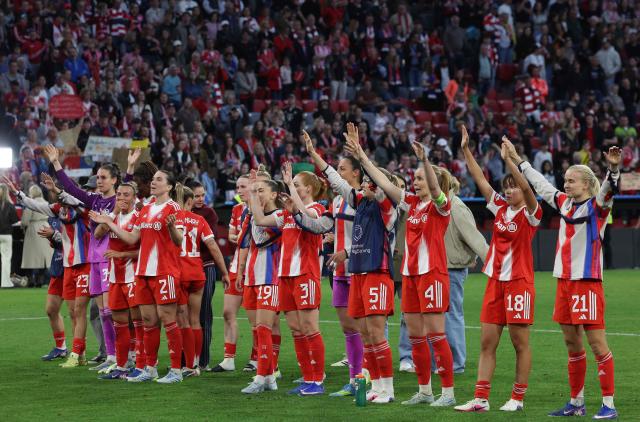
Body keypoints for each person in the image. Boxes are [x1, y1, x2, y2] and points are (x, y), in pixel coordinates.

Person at [505, 140, 622, 420]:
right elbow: (538, 182)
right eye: (566, 180)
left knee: (597, 344)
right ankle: (576, 403)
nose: (566, 184)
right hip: (564, 283)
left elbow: (609, 189)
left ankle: (609, 404)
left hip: (587, 282)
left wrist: (613, 170)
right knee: (572, 344)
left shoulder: (598, 207)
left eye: (572, 181)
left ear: (586, 184)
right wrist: (517, 158)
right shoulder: (563, 203)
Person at [345, 126, 457, 407]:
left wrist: (425, 161)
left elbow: (434, 187)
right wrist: (362, 156)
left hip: (432, 275)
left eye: (419, 178)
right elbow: (384, 184)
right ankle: (424, 390)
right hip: (410, 275)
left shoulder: (441, 206)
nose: (415, 182)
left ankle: (448, 393)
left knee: (435, 334)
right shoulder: (412, 204)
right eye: (415, 178)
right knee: (417, 336)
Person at [455, 129, 541, 412]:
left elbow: (528, 189)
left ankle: (517, 398)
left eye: (512, 186)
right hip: (495, 282)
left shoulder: (531, 213)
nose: (509, 190)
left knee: (519, 344)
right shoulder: (501, 209)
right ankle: (480, 398)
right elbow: (479, 178)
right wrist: (467, 150)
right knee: (487, 343)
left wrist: (509, 162)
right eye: (506, 187)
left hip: (519, 283)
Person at [43, 145, 138, 374]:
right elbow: (71, 189)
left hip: (110, 258)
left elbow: (128, 188)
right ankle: (113, 355)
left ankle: (126, 355)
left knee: (112, 310)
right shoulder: (94, 200)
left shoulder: (118, 199)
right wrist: (57, 163)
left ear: (114, 180)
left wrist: (130, 168)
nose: (99, 181)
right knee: (104, 311)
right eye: (98, 178)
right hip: (94, 260)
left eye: (103, 178)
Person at [91, 170, 185, 384]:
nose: (153, 182)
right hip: (143, 273)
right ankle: (150, 368)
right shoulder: (147, 209)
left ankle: (176, 371)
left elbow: (179, 241)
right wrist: (110, 223)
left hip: (165, 271)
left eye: (159, 179)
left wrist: (171, 226)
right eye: (153, 179)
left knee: (168, 320)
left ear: (169, 186)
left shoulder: (173, 208)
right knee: (149, 322)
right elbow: (133, 238)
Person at [251, 162, 327, 396]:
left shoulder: (317, 209)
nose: (291, 188)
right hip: (285, 276)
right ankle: (307, 377)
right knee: (295, 329)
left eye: (296, 185)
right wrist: (254, 192)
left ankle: (317, 380)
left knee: (310, 327)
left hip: (305, 274)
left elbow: (307, 216)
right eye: (291, 185)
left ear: (309, 189)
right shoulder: (285, 214)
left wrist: (288, 183)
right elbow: (261, 221)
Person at [3, 175, 91, 367]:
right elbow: (36, 206)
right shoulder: (58, 210)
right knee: (69, 310)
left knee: (80, 311)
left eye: (59, 192)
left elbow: (72, 199)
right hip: (66, 265)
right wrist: (18, 193)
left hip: (85, 263)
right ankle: (78, 353)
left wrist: (59, 190)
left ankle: (80, 353)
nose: (56, 195)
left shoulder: (83, 208)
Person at [302, 131, 365, 398]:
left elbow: (369, 234)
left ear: (355, 174)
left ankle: (367, 376)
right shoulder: (337, 200)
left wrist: (348, 251)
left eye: (342, 169)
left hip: (359, 268)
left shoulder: (361, 197)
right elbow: (324, 224)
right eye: (336, 169)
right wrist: (329, 235)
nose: (337, 173)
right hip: (338, 270)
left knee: (364, 328)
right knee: (348, 328)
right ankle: (354, 379)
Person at [174, 184, 229, 376]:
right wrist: (225, 272)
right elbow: (213, 247)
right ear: (190, 201)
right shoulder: (199, 220)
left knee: (181, 321)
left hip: (179, 272)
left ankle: (185, 364)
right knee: (195, 320)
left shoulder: (172, 218)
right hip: (197, 272)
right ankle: (196, 362)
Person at [92, 182, 143, 380]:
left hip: (133, 277)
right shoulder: (114, 216)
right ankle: (121, 366)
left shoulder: (138, 217)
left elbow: (140, 248)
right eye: (119, 195)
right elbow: (97, 235)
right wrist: (111, 215)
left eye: (126, 195)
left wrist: (121, 254)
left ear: (134, 197)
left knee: (138, 323)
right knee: (119, 323)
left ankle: (142, 365)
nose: (121, 198)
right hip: (115, 278)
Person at [441, 175, 489, 374]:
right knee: (441, 317)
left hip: (453, 267)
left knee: (451, 315)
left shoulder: (457, 207)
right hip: (441, 267)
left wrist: (493, 263)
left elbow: (475, 238)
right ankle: (444, 361)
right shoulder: (442, 205)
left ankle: (456, 363)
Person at [242, 178, 284, 393]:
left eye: (261, 190)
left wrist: (252, 203)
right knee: (257, 330)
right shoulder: (253, 214)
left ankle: (261, 376)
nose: (256, 194)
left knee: (264, 327)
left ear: (274, 194)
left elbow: (260, 240)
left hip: (270, 277)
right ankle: (269, 376)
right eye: (255, 190)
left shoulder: (278, 217)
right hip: (252, 277)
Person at [212, 174, 254, 373]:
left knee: (257, 319)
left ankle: (256, 358)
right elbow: (232, 236)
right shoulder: (237, 209)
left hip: (256, 268)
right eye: (237, 186)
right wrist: (242, 236)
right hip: (237, 267)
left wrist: (242, 236)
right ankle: (229, 359)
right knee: (228, 312)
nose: (239, 190)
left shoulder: (262, 209)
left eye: (243, 186)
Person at [187, 180, 222, 371]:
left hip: (205, 266)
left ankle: (203, 360)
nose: (201, 199)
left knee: (204, 314)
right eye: (196, 196)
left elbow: (210, 242)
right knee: (182, 315)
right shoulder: (179, 212)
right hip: (184, 269)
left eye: (202, 195)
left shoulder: (209, 214)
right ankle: (185, 359)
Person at [20, 185, 53, 288]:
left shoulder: (31, 203)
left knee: (33, 256)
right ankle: (41, 280)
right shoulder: (46, 203)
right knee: (44, 256)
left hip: (34, 229)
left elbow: (25, 221)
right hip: (45, 227)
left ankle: (32, 280)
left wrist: (22, 224)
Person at [0, 183, 18, 288]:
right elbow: (15, 221)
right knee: (6, 259)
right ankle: (5, 283)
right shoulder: (10, 205)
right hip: (6, 235)